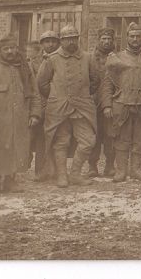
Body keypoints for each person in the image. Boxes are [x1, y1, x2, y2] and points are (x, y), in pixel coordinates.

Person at [101, 23, 141, 182]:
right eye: (132, 36)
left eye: (138, 36)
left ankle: (136, 169)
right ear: (127, 38)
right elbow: (108, 83)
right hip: (122, 104)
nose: (135, 39)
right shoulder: (116, 58)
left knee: (140, 138)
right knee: (121, 138)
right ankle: (121, 170)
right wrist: (107, 105)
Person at [37, 26, 100, 188]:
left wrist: (81, 94)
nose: (71, 41)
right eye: (67, 38)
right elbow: (42, 83)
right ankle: (62, 175)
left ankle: (76, 174)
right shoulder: (51, 59)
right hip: (59, 107)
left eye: (73, 38)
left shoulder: (88, 57)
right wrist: (57, 95)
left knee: (88, 140)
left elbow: (95, 81)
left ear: (78, 38)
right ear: (62, 40)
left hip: (82, 106)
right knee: (61, 142)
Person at [0, 34, 41, 194]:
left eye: (13, 48)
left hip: (20, 117)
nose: (10, 51)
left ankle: (11, 181)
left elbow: (34, 92)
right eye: (6, 49)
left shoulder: (24, 68)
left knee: (17, 148)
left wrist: (34, 114)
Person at [29, 30, 60, 181]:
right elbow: (35, 85)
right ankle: (40, 170)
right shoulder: (34, 62)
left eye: (53, 41)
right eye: (47, 41)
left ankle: (55, 169)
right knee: (41, 138)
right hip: (42, 104)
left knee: (58, 137)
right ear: (42, 44)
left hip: (59, 103)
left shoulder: (62, 59)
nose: (50, 44)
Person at [87, 28, 116, 178]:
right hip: (93, 102)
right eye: (104, 39)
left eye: (109, 39)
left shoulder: (117, 57)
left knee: (110, 135)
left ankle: (110, 166)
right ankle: (92, 166)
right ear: (99, 40)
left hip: (111, 102)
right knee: (94, 135)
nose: (106, 42)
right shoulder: (89, 57)